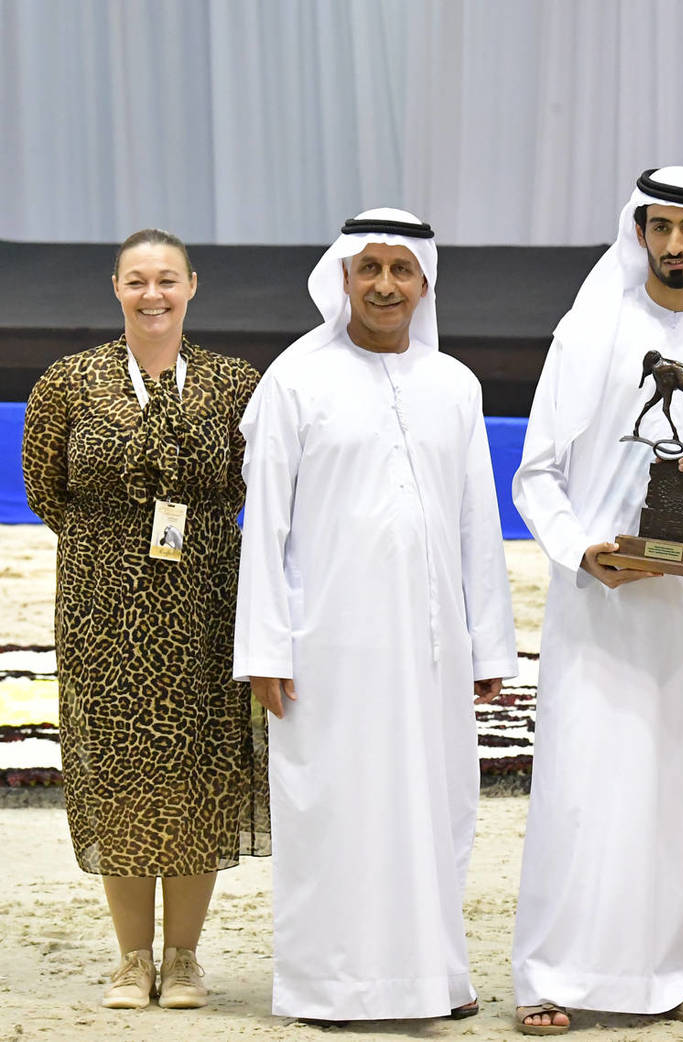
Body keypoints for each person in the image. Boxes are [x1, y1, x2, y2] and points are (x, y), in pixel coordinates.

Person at [509, 166, 683, 1034]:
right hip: (597, 601)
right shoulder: (587, 332)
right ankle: (550, 975)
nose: (675, 244)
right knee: (581, 788)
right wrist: (577, 550)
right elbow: (537, 474)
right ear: (639, 233)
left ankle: (681, 970)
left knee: (682, 789)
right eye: (660, 227)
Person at [234, 209, 518, 1024]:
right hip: (328, 644)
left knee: (436, 807)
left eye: (402, 270)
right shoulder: (295, 380)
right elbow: (267, 530)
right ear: (344, 278)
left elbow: (477, 524)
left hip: (431, 648)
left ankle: (434, 980)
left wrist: (486, 642)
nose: (386, 285)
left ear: (425, 282)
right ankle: (331, 987)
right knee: (334, 808)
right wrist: (265, 646)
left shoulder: (454, 383)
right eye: (370, 269)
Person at [21, 229, 268, 1011]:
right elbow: (42, 487)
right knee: (120, 772)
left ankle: (186, 959)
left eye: (167, 279)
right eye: (137, 281)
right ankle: (133, 959)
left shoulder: (235, 383)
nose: (152, 294)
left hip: (205, 603)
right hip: (100, 604)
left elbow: (253, 486)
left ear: (192, 285)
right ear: (116, 289)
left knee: (198, 772)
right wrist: (111, 548)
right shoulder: (69, 380)